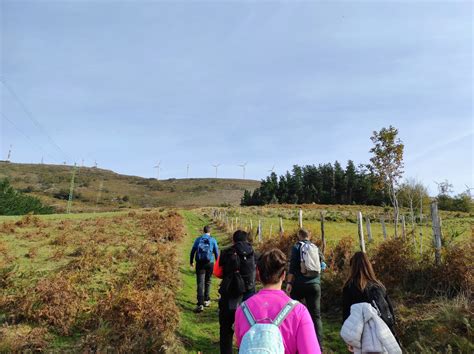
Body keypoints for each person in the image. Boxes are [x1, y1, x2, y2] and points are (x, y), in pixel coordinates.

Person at [234, 248, 321, 354]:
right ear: (283, 275)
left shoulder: (242, 310)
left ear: (258, 274)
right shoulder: (299, 311)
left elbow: (241, 345)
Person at [342, 251, 397, 349]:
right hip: (383, 334)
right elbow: (390, 312)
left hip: (364, 338)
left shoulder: (349, 287)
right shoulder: (379, 286)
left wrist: (350, 340)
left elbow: (347, 315)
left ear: (352, 268)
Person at [215, 230, 256, 354]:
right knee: (247, 328)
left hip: (230, 295)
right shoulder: (254, 253)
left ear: (233, 240)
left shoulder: (226, 252)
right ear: (247, 240)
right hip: (249, 295)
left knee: (226, 328)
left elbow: (217, 272)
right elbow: (258, 273)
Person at [285, 228, 325, 345]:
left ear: (299, 235)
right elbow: (323, 266)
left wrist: (289, 283)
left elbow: (292, 267)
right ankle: (319, 345)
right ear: (310, 235)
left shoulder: (297, 247)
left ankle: (295, 342)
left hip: (299, 285)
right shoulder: (315, 247)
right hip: (315, 285)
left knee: (293, 314)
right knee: (316, 316)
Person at [190, 225, 219, 313]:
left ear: (203, 231)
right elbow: (216, 252)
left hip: (200, 263)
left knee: (200, 283)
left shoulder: (198, 240)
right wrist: (217, 264)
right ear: (210, 231)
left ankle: (200, 304)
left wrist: (191, 261)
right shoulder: (213, 240)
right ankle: (207, 300)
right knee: (208, 281)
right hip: (210, 263)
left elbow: (193, 251)